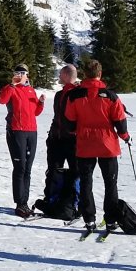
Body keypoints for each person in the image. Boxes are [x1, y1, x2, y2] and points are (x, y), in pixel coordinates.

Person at [64, 58, 130, 234]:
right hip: (107, 145)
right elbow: (120, 121)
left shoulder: (74, 96)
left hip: (85, 144)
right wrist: (125, 136)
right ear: (99, 74)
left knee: (86, 183)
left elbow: (69, 122)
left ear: (85, 74)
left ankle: (89, 220)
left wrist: (76, 131)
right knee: (111, 183)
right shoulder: (110, 95)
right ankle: (110, 220)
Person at [0, 64, 45, 216]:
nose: (20, 75)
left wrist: (41, 103)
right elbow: (1, 99)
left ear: (27, 75)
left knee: (28, 169)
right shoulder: (11, 88)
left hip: (31, 131)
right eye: (17, 72)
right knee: (20, 167)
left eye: (23, 73)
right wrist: (12, 85)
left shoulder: (30, 90)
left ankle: (25, 201)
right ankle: (20, 203)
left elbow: (35, 111)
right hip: (16, 131)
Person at [39, 64, 82, 214]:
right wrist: (51, 136)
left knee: (76, 173)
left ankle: (76, 204)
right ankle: (50, 200)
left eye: (60, 74)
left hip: (73, 141)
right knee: (53, 171)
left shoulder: (79, 93)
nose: (58, 77)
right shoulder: (59, 95)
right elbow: (57, 117)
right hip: (56, 140)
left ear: (66, 75)